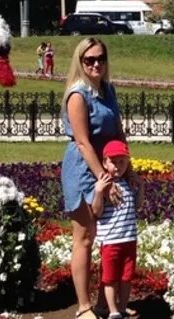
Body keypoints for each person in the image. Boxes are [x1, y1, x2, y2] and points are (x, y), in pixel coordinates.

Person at [60, 37, 140, 319]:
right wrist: (103, 181)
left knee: (112, 237)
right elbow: (83, 142)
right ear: (80, 62)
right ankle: (84, 307)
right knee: (85, 237)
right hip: (85, 170)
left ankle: (108, 303)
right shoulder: (78, 95)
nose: (96, 64)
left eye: (100, 58)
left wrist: (128, 169)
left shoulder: (108, 90)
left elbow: (119, 132)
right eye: (89, 60)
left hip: (111, 167)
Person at [92, 140, 141, 319]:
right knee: (110, 278)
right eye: (113, 162)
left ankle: (122, 308)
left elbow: (137, 206)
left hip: (129, 239)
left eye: (122, 161)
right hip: (111, 241)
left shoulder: (128, 182)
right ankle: (113, 311)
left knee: (126, 277)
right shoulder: (104, 185)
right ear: (105, 162)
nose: (118, 166)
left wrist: (141, 187)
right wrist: (98, 192)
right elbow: (96, 211)